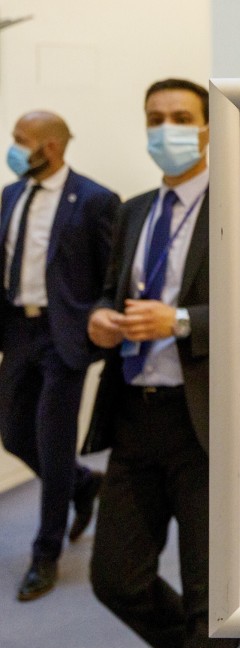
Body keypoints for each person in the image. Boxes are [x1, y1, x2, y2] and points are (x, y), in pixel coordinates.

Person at [84, 78, 240, 648]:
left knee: (210, 597)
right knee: (115, 580)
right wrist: (101, 318)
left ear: (207, 129)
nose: (166, 130)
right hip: (133, 417)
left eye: (180, 117)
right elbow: (110, 293)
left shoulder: (236, 205)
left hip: (203, 424)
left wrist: (180, 321)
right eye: (155, 119)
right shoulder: (133, 211)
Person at [0, 111, 119, 601]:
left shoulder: (94, 200)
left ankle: (44, 553)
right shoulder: (11, 195)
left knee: (53, 443)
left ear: (49, 147)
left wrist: (96, 322)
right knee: (13, 434)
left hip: (62, 336)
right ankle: (83, 483)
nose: (12, 148)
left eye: (20, 140)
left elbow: (111, 274)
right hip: (17, 330)